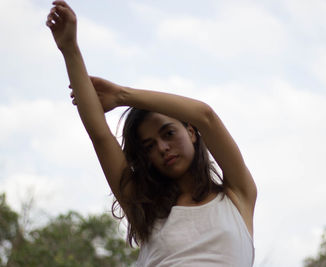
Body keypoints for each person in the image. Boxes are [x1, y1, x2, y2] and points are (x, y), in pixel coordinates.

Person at [46, 1, 257, 266]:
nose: (162, 148)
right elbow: (100, 136)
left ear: (191, 131)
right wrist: (69, 49)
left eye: (168, 133)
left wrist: (124, 95)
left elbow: (206, 116)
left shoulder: (238, 195)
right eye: (148, 146)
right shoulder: (146, 209)